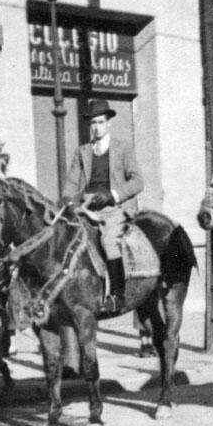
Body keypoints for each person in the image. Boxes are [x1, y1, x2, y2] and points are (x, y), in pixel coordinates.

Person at [61, 99, 144, 315]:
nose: (96, 127)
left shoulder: (123, 148)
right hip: (88, 205)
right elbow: (72, 182)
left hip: (114, 207)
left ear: (109, 123)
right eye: (93, 123)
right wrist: (68, 200)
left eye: (100, 122)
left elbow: (137, 181)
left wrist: (112, 195)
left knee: (108, 240)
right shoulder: (83, 152)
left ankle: (117, 295)